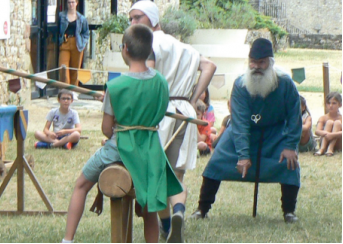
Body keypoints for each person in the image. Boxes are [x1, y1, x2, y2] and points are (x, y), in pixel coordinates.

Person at [62, 24, 186, 244]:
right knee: (149, 206)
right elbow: (156, 115)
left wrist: (113, 107)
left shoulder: (116, 86)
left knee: (81, 184)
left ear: (125, 49)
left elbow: (106, 129)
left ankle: (68, 240)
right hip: (150, 151)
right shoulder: (161, 82)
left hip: (119, 149)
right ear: (149, 51)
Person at [128, 0, 217, 238]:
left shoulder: (147, 43)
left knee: (156, 174)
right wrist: (193, 98)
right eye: (131, 19)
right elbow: (209, 65)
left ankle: (167, 224)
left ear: (153, 19)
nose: (134, 23)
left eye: (138, 18)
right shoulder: (184, 46)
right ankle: (178, 211)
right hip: (184, 112)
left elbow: (147, 77)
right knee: (176, 175)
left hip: (158, 112)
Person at [190, 38, 302, 223]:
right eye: (253, 62)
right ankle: (202, 209)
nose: (256, 66)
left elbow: (294, 116)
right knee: (216, 162)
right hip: (242, 131)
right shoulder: (241, 84)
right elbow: (240, 121)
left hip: (276, 134)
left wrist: (290, 145)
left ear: (270, 63)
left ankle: (289, 211)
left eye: (261, 62)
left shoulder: (286, 83)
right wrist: (243, 154)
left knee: (289, 164)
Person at [58, 0, 90, 87]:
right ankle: (65, 89)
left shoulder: (81, 18)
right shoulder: (61, 16)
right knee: (63, 67)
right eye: (69, 2)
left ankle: (74, 90)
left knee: (75, 69)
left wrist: (83, 44)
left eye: (73, 2)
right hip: (65, 42)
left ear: (76, 3)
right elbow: (56, 30)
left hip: (77, 44)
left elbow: (86, 33)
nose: (71, 4)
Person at [314, 92, 342, 157]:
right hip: (325, 141)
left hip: (339, 143)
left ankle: (330, 148)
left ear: (340, 105)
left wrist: (332, 135)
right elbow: (317, 131)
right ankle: (322, 148)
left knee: (337, 123)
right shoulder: (323, 118)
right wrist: (327, 134)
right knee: (329, 122)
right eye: (329, 103)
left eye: (334, 103)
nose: (331, 106)